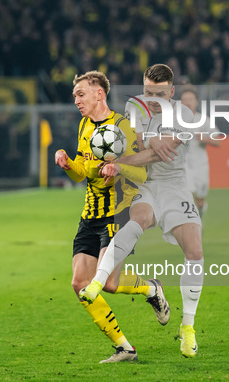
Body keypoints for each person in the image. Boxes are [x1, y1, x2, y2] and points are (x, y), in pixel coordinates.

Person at [80, 64, 204, 358]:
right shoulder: (134, 106)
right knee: (139, 219)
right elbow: (133, 145)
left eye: (159, 94)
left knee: (195, 250)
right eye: (148, 92)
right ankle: (98, 281)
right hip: (145, 184)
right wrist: (147, 142)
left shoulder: (184, 116)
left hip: (174, 186)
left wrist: (140, 150)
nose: (151, 99)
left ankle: (187, 327)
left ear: (172, 93)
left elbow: (154, 153)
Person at [54, 70, 170, 363]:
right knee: (80, 283)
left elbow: (142, 172)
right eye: (75, 96)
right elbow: (84, 170)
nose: (77, 101)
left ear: (98, 94)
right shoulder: (84, 126)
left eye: (81, 94)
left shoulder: (123, 127)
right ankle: (125, 347)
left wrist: (119, 168)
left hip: (119, 213)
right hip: (90, 215)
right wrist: (69, 163)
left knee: (108, 283)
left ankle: (151, 288)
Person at [181, 86, 221, 219]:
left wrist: (205, 139)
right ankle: (191, 224)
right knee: (186, 196)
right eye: (184, 99)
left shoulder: (203, 120)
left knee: (200, 200)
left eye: (190, 99)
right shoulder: (175, 121)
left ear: (196, 101)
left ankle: (200, 217)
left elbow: (218, 141)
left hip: (200, 165)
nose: (187, 102)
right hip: (183, 165)